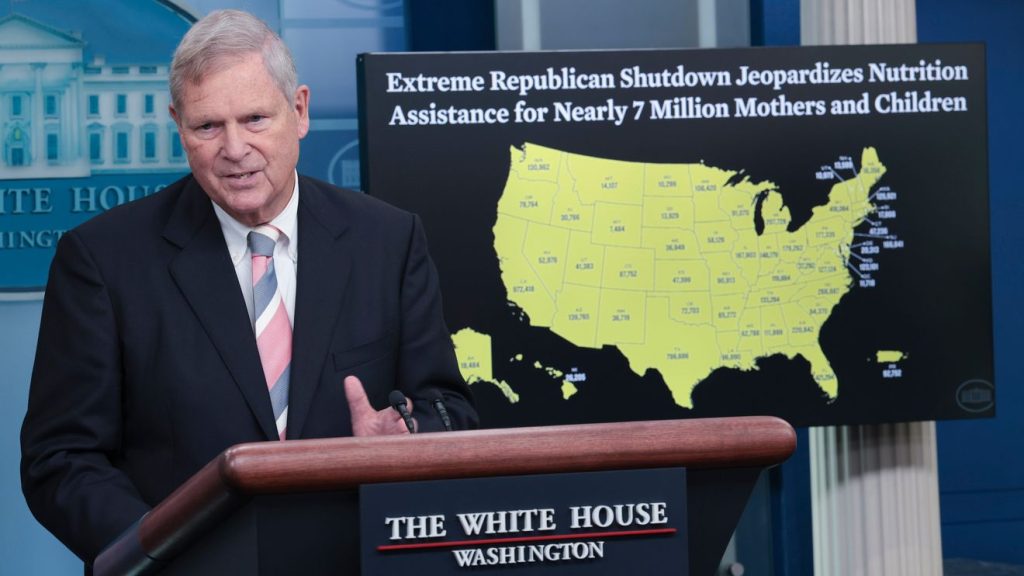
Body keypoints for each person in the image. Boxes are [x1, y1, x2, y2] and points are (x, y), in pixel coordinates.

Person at [20, 9, 477, 565]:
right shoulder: (102, 259)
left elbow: (447, 407)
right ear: (178, 125)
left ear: (300, 111)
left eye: (255, 118)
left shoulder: (387, 239)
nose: (234, 148)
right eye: (207, 126)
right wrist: (160, 550)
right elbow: (62, 459)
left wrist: (407, 433)